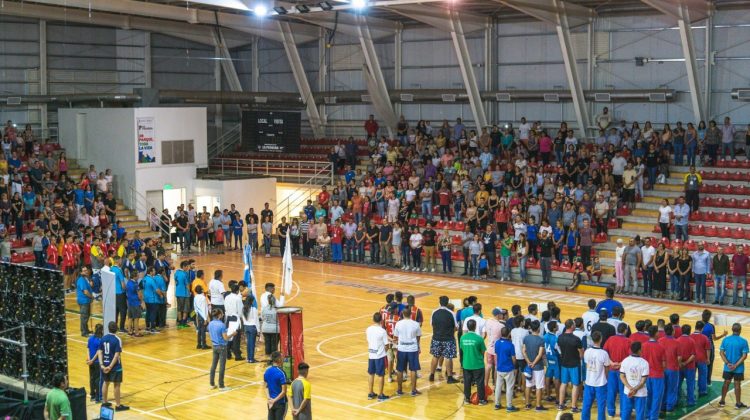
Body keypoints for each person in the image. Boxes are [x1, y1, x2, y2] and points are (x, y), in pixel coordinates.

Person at [98, 321, 129, 412]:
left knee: (106, 382)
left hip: (105, 364)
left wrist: (102, 365)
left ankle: (104, 402)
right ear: (116, 328)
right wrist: (110, 367)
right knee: (117, 385)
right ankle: (118, 405)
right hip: (115, 366)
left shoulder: (103, 338)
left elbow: (100, 352)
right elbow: (116, 355)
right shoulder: (117, 339)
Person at [429, 296, 458, 384]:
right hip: (448, 339)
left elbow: (431, 324)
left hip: (436, 338)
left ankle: (432, 375)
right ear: (447, 302)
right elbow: (456, 326)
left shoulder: (434, 312)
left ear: (440, 302)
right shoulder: (451, 313)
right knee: (448, 357)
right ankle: (449, 377)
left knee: (435, 356)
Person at [719, 323, 749, 409]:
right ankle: (738, 403)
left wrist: (728, 363)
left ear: (732, 329)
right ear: (740, 330)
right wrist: (735, 365)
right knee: (737, 384)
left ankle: (722, 401)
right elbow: (744, 356)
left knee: (726, 383)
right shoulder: (743, 341)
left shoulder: (726, 340)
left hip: (727, 367)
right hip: (738, 368)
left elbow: (721, 353)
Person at [394, 307, 422, 396]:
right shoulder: (416, 324)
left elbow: (396, 337)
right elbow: (418, 337)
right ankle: (413, 390)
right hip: (412, 349)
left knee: (400, 369)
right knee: (413, 369)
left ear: (402, 314)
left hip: (401, 348)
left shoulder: (398, 324)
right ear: (411, 314)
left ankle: (399, 390)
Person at [582, 330, 610, 420]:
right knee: (601, 407)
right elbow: (606, 369)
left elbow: (587, 366)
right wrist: (605, 378)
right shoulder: (604, 353)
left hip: (589, 382)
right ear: (601, 339)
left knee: (586, 405)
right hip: (600, 384)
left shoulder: (587, 351)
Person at [558, 319, 583, 412]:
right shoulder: (576, 339)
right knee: (575, 385)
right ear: (572, 326)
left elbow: (559, 349)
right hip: (574, 364)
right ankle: (573, 406)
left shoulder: (560, 337)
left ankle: (561, 404)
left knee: (564, 383)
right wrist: (579, 358)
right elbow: (581, 353)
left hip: (564, 363)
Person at [619, 342, 649, 420]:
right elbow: (643, 381)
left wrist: (630, 388)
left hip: (627, 391)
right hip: (640, 393)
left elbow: (622, 376)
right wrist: (635, 389)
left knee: (625, 413)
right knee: (640, 414)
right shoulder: (645, 363)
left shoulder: (625, 361)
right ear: (639, 350)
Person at [209, 308, 236, 389]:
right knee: (222, 366)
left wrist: (226, 330)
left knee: (213, 365)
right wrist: (233, 334)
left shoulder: (210, 323)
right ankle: (221, 385)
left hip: (214, 346)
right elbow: (226, 338)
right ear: (219, 315)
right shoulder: (221, 325)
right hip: (222, 347)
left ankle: (212, 384)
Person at [523, 320, 547, 411]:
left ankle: (527, 404)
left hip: (528, 367)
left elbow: (523, 351)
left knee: (528, 385)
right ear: (538, 329)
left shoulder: (526, 338)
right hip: (538, 367)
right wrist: (534, 363)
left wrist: (529, 362)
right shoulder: (541, 340)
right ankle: (538, 405)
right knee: (539, 386)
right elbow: (540, 354)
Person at [366, 312, 390, 401]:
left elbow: (368, 340)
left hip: (371, 354)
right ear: (381, 320)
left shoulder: (368, 329)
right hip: (379, 356)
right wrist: (385, 351)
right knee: (381, 375)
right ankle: (380, 395)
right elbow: (386, 345)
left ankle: (370, 393)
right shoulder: (382, 331)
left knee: (371, 373)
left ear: (373, 319)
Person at [494, 326, 518, 411]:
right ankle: (509, 406)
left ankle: (497, 404)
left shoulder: (497, 343)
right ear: (509, 334)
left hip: (499, 368)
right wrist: (513, 366)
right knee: (509, 388)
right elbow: (514, 359)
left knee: (498, 387)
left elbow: (497, 353)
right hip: (508, 369)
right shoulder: (510, 345)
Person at [658, 324, 680, 412]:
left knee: (663, 387)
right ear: (673, 331)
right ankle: (669, 407)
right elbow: (679, 358)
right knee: (672, 388)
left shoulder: (659, 341)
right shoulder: (677, 342)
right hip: (673, 369)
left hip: (661, 369)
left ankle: (662, 406)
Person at [265, 351, 288, 420]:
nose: (283, 358)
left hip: (270, 402)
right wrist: (274, 400)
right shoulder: (281, 373)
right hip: (280, 403)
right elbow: (284, 392)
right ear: (279, 359)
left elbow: (266, 387)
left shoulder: (267, 371)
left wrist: (269, 399)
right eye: (282, 357)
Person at [677, 325, 697, 407]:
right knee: (690, 384)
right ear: (689, 331)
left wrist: (680, 363)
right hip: (690, 367)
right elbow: (693, 355)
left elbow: (676, 355)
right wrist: (686, 363)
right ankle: (690, 401)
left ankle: (676, 401)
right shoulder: (692, 341)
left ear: (682, 331)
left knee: (677, 384)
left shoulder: (677, 340)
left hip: (679, 367)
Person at [692, 321, 711, 397]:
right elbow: (708, 349)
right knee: (702, 375)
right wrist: (708, 359)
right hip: (702, 359)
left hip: (692, 360)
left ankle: (691, 390)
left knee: (691, 376)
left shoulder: (690, 336)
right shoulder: (705, 338)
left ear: (695, 326)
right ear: (702, 328)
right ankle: (702, 391)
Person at [86, 324, 104, 402]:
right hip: (96, 362)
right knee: (97, 379)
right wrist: (92, 360)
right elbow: (98, 352)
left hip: (90, 362)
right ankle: (97, 396)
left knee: (92, 378)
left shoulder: (90, 338)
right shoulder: (100, 340)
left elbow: (87, 348)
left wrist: (89, 359)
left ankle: (92, 395)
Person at [76, 266, 93, 336]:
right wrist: (91, 297)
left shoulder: (86, 278)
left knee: (86, 316)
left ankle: (86, 330)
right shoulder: (81, 280)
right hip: (83, 301)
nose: (86, 271)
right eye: (84, 271)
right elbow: (85, 292)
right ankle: (84, 332)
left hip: (86, 300)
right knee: (84, 317)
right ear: (80, 272)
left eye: (86, 270)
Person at [194, 285, 209, 350]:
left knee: (199, 330)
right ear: (201, 290)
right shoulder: (203, 298)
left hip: (198, 315)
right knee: (203, 331)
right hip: (203, 316)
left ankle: (199, 344)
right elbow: (204, 308)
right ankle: (204, 345)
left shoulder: (195, 297)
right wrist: (205, 318)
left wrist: (197, 315)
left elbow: (195, 307)